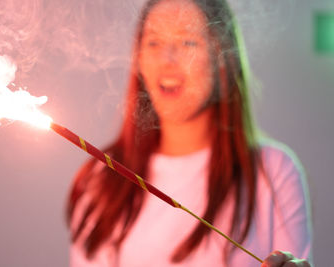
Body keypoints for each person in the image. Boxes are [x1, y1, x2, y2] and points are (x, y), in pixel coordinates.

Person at [67, 0, 313, 266]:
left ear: (222, 58)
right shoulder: (101, 178)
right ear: (138, 59)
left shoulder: (273, 171)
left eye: (188, 42)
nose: (167, 59)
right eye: (153, 43)